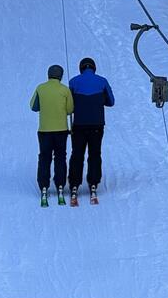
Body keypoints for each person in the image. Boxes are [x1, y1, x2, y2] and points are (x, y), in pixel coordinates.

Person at [69, 57, 115, 205]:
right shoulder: (102, 81)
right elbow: (111, 101)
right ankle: (93, 182)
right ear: (94, 68)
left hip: (79, 124)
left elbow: (69, 104)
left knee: (77, 154)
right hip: (97, 124)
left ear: (81, 68)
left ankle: (74, 183)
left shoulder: (73, 82)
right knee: (95, 153)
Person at [30, 64, 74, 207]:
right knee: (60, 156)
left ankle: (43, 185)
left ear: (48, 75)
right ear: (60, 76)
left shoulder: (40, 88)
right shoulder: (65, 90)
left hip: (44, 130)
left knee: (44, 157)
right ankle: (60, 184)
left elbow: (33, 107)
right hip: (61, 130)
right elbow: (70, 110)